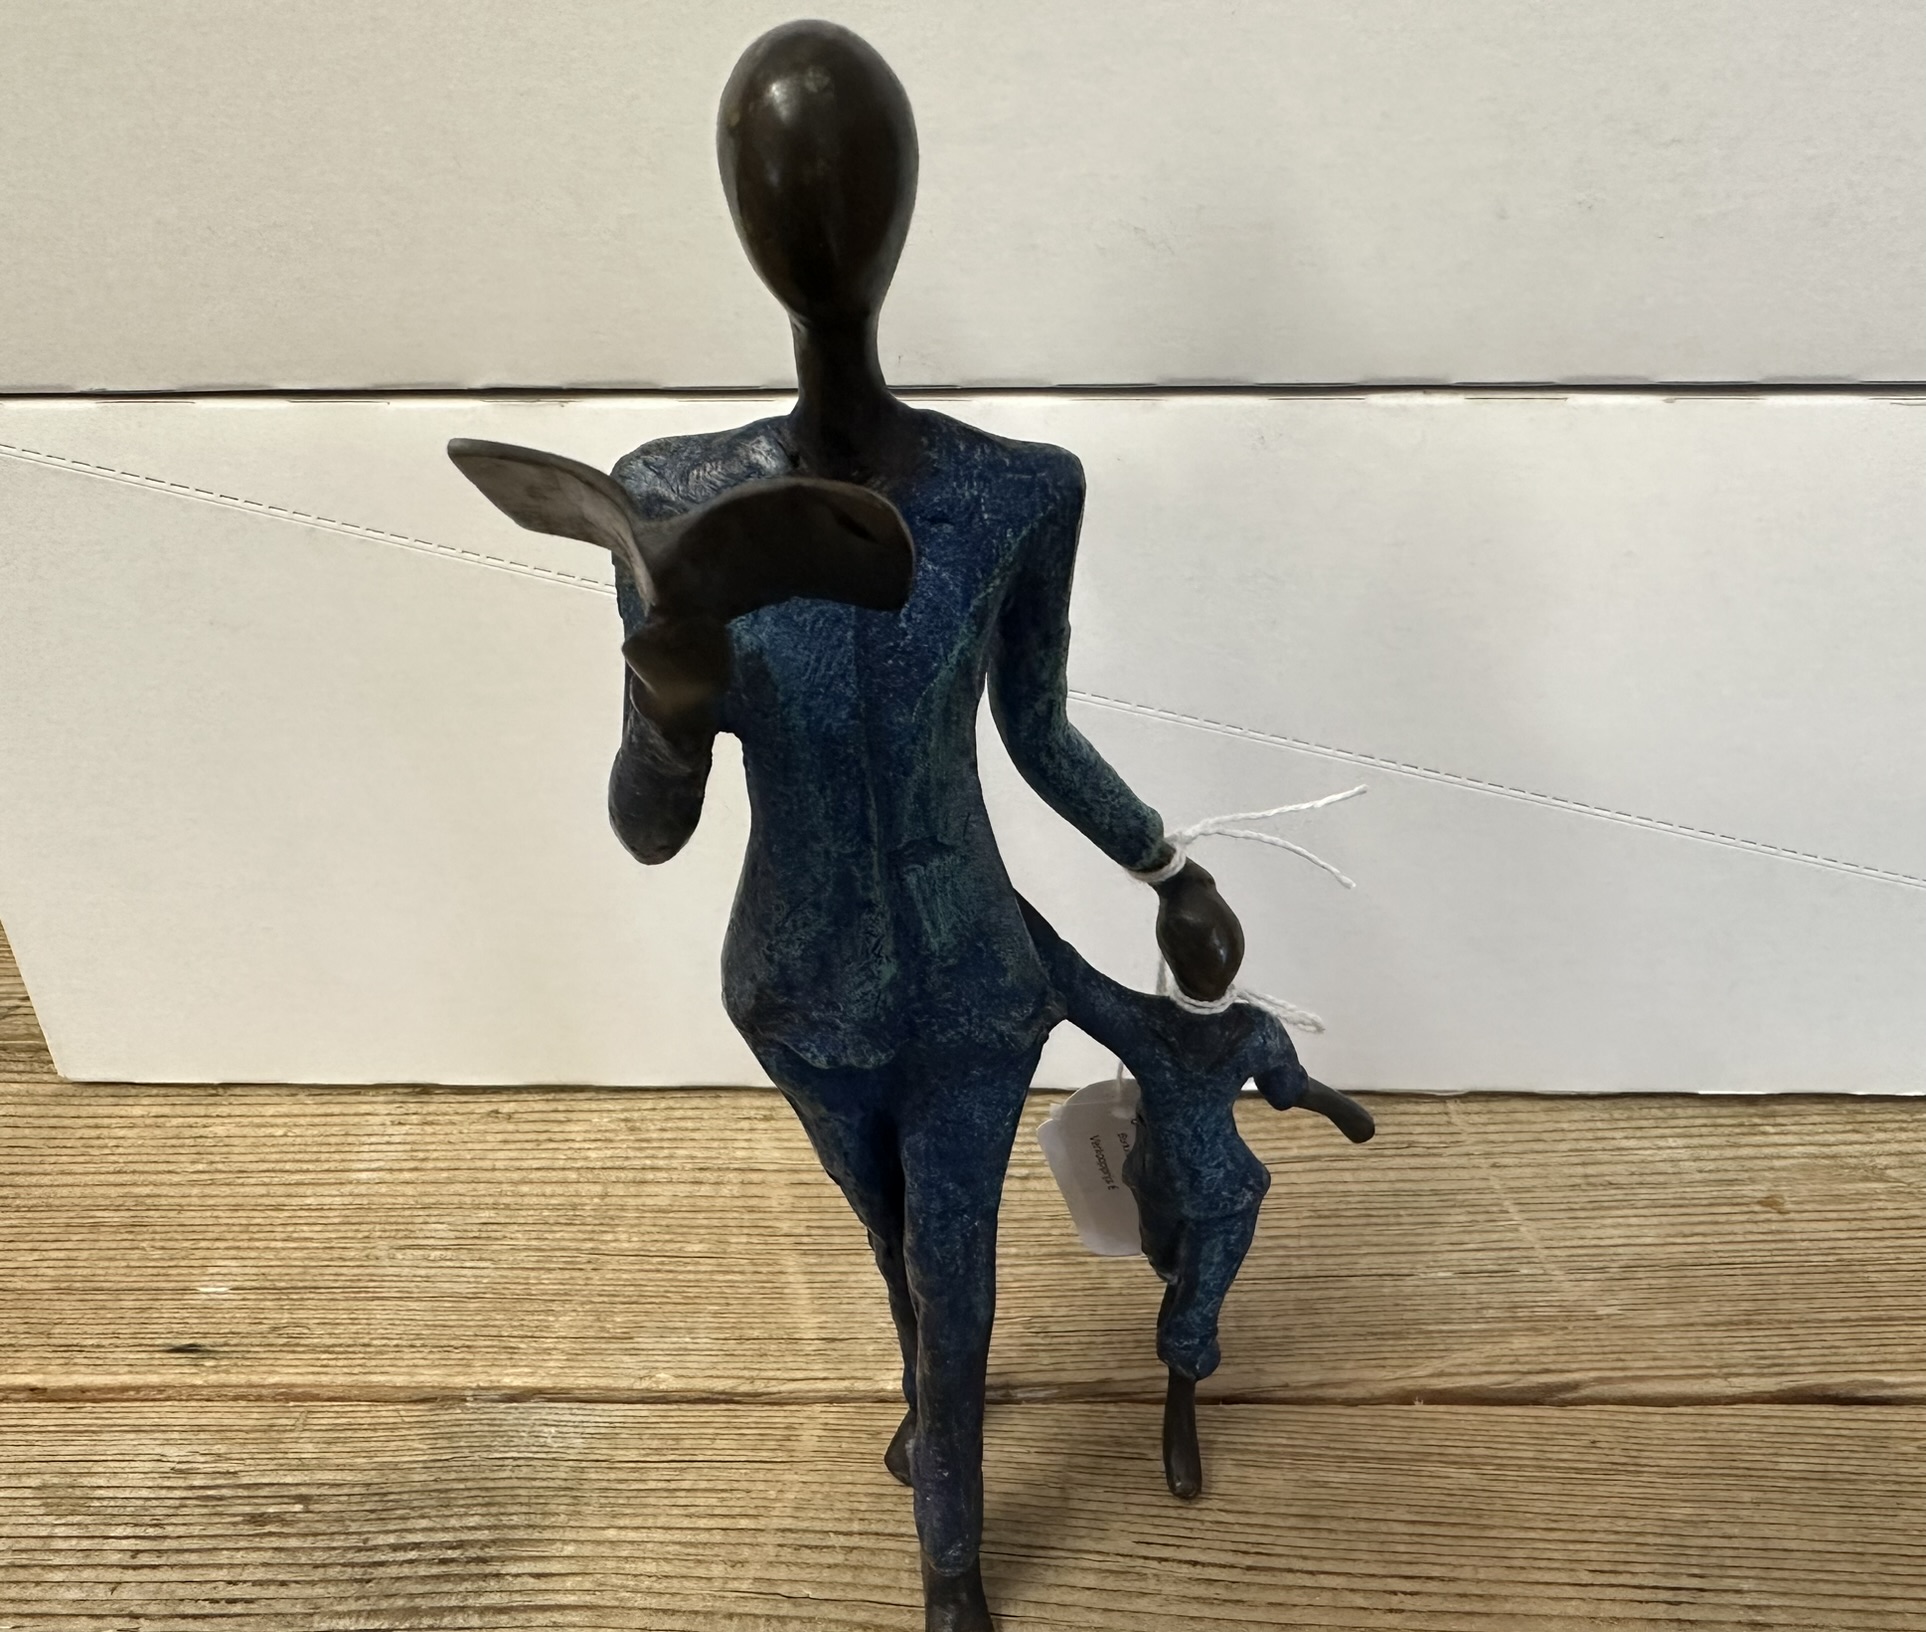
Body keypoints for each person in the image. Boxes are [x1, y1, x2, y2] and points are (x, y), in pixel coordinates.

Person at [598, 22, 1245, 1632]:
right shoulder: (665, 500)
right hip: (793, 992)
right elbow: (648, 830)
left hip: (968, 988)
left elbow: (1035, 731)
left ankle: (949, 1557)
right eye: (778, 182)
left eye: (851, 178)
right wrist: (668, 715)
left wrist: (1169, 870)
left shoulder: (1012, 493)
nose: (819, 217)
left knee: (955, 1275)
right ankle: (929, 1399)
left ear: (902, 206)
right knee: (899, 1250)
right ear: (737, 215)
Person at [1016, 898, 1374, 1500]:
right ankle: (1183, 1323)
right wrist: (996, 887)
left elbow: (1287, 1087)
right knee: (1168, 1269)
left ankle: (1179, 1404)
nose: (1214, 966)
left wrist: (1345, 1112)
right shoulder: (1141, 1021)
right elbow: (1066, 971)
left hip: (1225, 1196)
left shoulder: (1253, 1029)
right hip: (1155, 1186)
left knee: (1191, 1312)